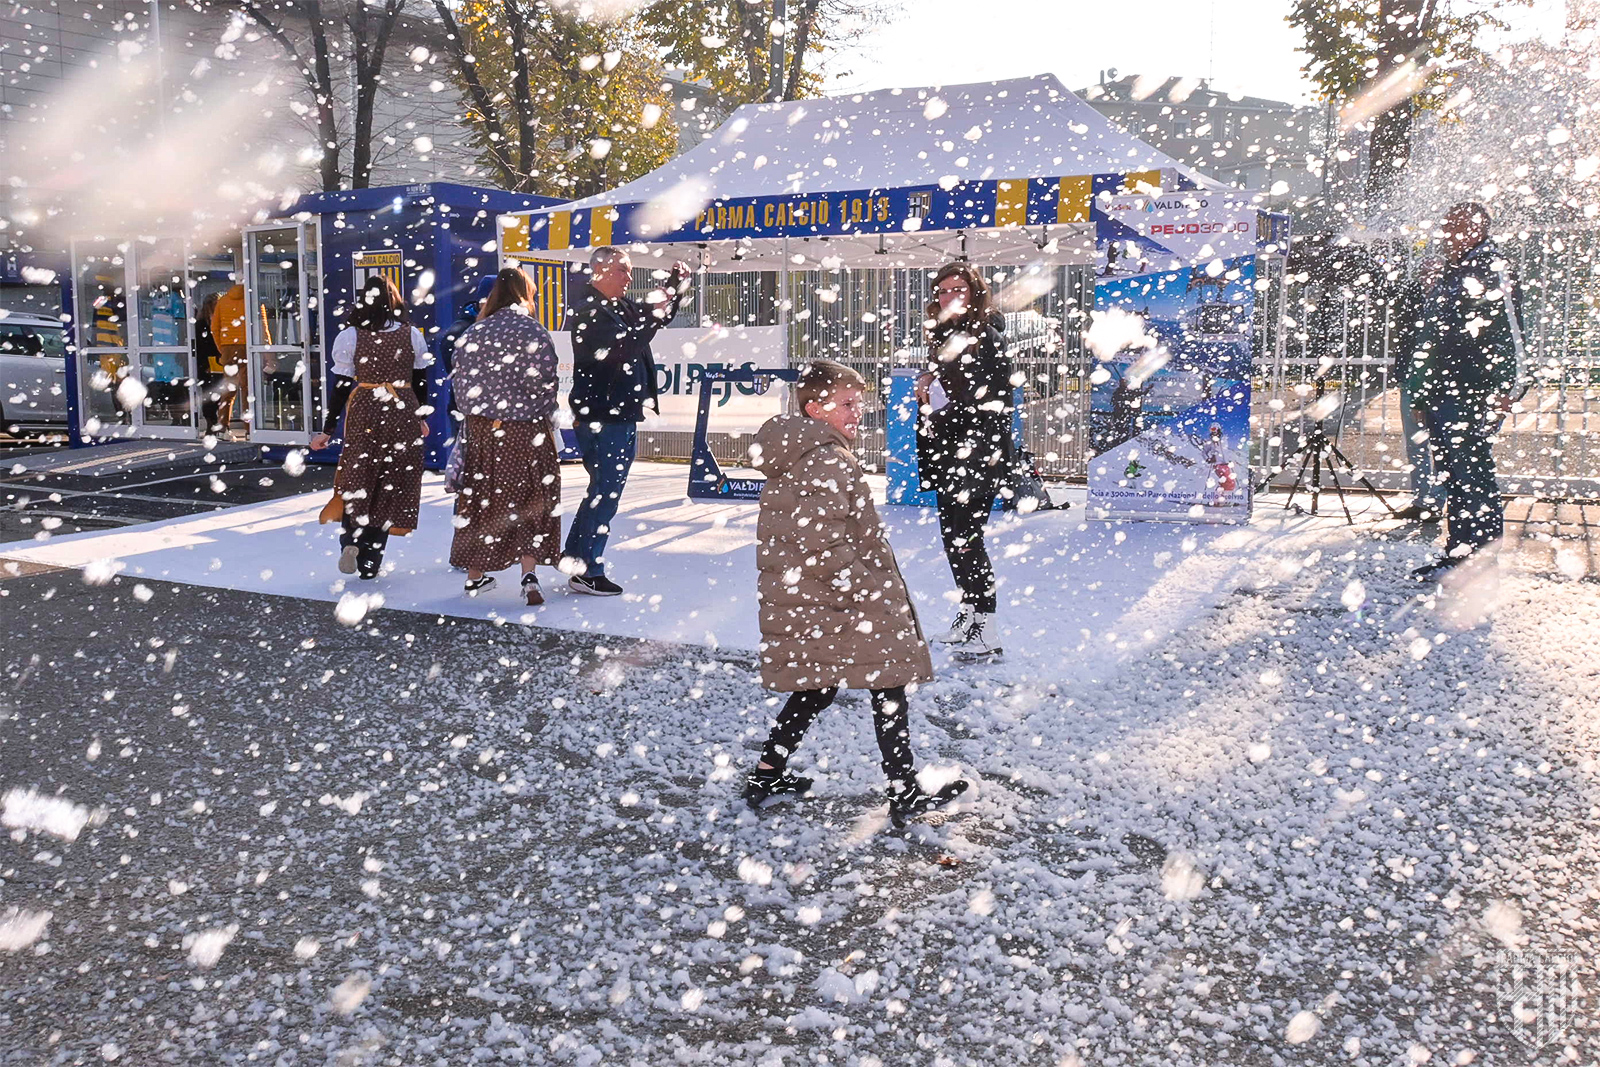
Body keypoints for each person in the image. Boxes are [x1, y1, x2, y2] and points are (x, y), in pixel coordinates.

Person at [743, 359, 970, 826]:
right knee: (888, 681)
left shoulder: (804, 451)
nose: (857, 413)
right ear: (814, 408)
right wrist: (864, 589)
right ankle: (903, 789)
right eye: (846, 404)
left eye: (860, 404)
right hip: (840, 599)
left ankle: (768, 773)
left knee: (816, 684)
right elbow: (819, 540)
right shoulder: (824, 457)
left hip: (812, 598)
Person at [561, 245, 690, 596]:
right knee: (606, 491)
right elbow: (624, 346)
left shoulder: (619, 306)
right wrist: (657, 311)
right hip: (604, 415)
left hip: (616, 412)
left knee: (601, 490)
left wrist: (675, 289)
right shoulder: (588, 309)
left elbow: (655, 315)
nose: (629, 278)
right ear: (599, 271)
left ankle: (577, 560)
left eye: (630, 270)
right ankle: (587, 567)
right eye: (622, 270)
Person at [1405, 202, 1521, 581]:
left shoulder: (1490, 269)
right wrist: (1422, 395)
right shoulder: (1456, 273)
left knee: (1472, 474)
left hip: (1472, 393)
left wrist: (1510, 388)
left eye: (1457, 227)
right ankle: (1461, 553)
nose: (1448, 235)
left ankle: (1478, 558)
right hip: (1446, 393)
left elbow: (1512, 334)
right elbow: (1433, 340)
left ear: (1478, 229)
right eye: (1446, 227)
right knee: (1455, 476)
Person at [913, 262, 1015, 661]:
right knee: (953, 539)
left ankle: (987, 627)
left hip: (976, 455)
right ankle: (969, 613)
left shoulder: (985, 337)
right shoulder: (945, 334)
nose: (949, 296)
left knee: (968, 540)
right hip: (949, 452)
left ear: (975, 293)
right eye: (942, 290)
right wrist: (927, 380)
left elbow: (989, 404)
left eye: (958, 289)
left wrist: (941, 410)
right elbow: (948, 382)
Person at [448, 268, 562, 605]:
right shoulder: (533, 331)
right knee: (533, 501)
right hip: (527, 431)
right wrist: (539, 409)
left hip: (484, 432)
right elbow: (545, 384)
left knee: (483, 501)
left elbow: (460, 389)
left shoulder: (473, 333)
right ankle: (529, 577)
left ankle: (475, 576)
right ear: (526, 294)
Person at [309, 277, 433, 580]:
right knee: (391, 483)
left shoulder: (350, 336)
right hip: (401, 409)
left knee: (358, 477)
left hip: (365, 406)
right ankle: (371, 561)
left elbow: (340, 386)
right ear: (394, 302)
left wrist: (327, 428)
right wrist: (420, 416)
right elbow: (420, 381)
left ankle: (351, 539)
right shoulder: (411, 335)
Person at [1388, 256, 1449, 523]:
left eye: (1433, 272)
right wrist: (1403, 374)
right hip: (1412, 381)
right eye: (1425, 271)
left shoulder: (1451, 299)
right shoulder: (1412, 298)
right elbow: (1404, 338)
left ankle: (1437, 500)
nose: (1428, 277)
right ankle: (1422, 500)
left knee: (1444, 445)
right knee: (1416, 443)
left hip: (1443, 384)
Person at [193, 292, 228, 436]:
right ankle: (212, 423)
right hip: (210, 363)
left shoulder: (217, 321)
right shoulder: (203, 323)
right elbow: (201, 346)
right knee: (211, 396)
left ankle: (217, 424)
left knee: (218, 395)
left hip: (217, 362)